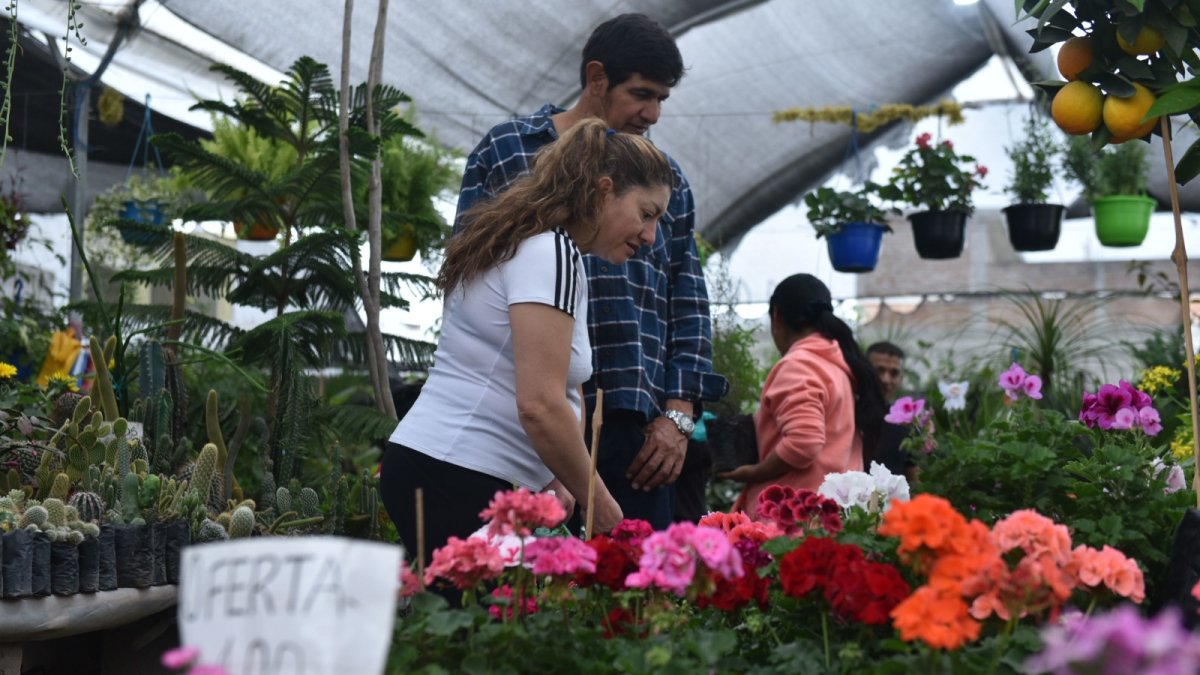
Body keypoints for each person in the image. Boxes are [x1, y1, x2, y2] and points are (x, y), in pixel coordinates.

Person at [454, 13, 727, 529]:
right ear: (597, 78)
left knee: (636, 592)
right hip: (524, 417)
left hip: (636, 428)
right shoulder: (511, 151)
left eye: (662, 99)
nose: (652, 113)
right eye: (642, 93)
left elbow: (688, 302)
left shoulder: (664, 180)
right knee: (521, 593)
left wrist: (677, 417)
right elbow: (466, 277)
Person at [380, 119, 676, 563]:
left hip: (449, 468)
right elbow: (539, 404)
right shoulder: (550, 253)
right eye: (646, 213)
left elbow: (557, 387)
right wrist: (604, 508)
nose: (651, 236)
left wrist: (557, 477)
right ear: (604, 190)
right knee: (496, 625)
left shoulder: (537, 247)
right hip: (460, 472)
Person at [722, 274, 885, 513]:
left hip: (793, 518)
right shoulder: (838, 365)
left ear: (776, 316)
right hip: (829, 514)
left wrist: (754, 472)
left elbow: (804, 444)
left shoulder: (800, 365)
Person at [867, 341, 916, 479]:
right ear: (865, 371)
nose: (886, 379)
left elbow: (915, 479)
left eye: (894, 373)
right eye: (879, 370)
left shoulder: (906, 424)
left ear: (901, 379)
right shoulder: (847, 415)